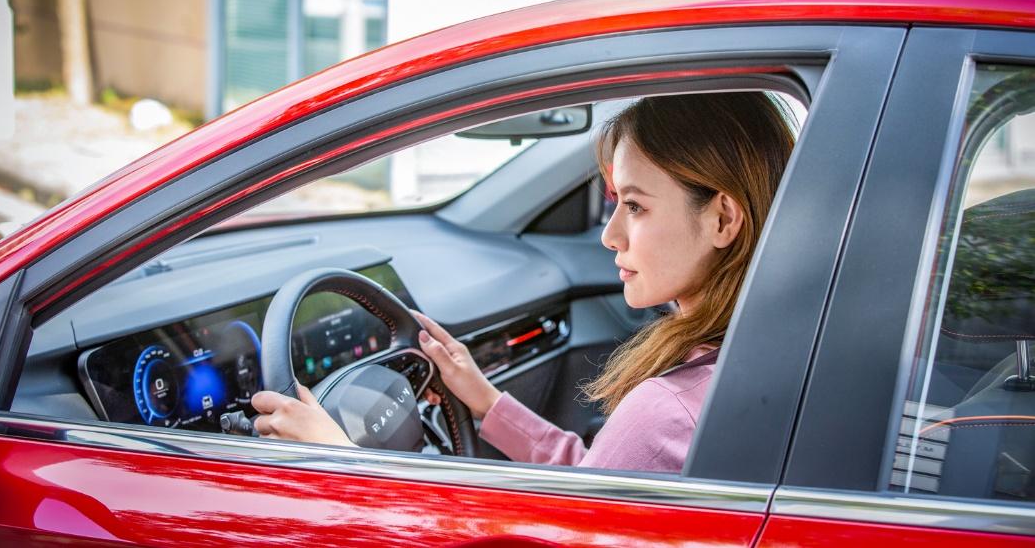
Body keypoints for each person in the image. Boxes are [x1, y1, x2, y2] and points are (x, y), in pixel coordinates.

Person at [251, 92, 795, 473]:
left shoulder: (667, 411)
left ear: (723, 219)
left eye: (635, 206)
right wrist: (487, 403)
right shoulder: (759, 360)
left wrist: (340, 456)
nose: (610, 236)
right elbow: (598, 482)